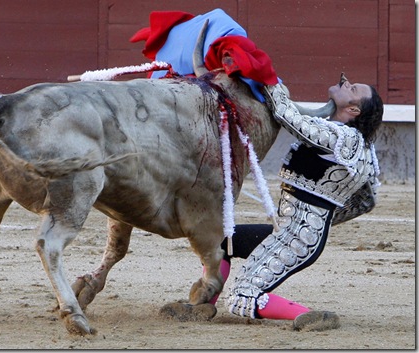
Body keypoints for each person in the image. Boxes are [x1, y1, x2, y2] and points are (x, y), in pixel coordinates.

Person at [161, 74, 383, 331]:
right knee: (221, 242)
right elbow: (368, 200)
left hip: (297, 239)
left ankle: (312, 315)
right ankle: (202, 304)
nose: (345, 83)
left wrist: (268, 81)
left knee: (243, 298)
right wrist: (322, 219)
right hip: (294, 231)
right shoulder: (361, 146)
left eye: (352, 87)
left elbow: (289, 118)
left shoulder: (345, 137)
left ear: (353, 109)